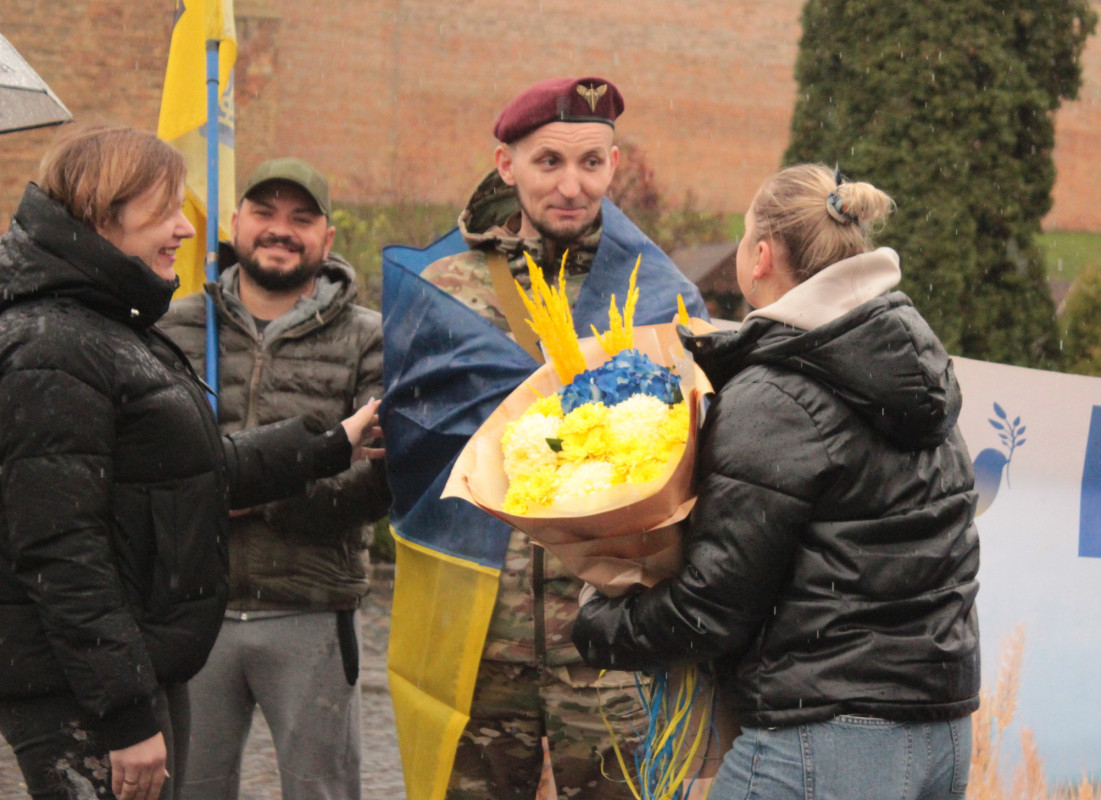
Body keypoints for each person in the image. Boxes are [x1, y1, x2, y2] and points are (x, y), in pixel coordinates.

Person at [573, 164, 981, 800]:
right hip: (943, 733)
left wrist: (599, 623)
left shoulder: (778, 396)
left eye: (742, 238)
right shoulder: (911, 368)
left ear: (761, 256)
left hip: (827, 741)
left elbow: (712, 610)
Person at [0, 124, 382, 800]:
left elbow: (185, 470)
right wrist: (123, 716)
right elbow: (62, 552)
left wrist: (330, 446)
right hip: (81, 692)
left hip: (138, 663)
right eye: (166, 207)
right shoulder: (54, 345)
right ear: (104, 208)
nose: (184, 227)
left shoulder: (107, 326)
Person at [403, 75, 708, 799]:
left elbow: (700, 464)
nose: (573, 186)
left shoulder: (661, 295)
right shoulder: (447, 290)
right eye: (549, 163)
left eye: (592, 163)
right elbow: (412, 451)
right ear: (505, 165)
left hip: (611, 640)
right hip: (477, 638)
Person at [158, 157, 389, 800]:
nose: (280, 230)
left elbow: (378, 482)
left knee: (322, 790)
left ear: (327, 238)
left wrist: (255, 498)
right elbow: (139, 464)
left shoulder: (369, 338)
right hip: (189, 613)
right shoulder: (173, 327)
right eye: (264, 213)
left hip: (311, 611)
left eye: (301, 219)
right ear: (234, 224)